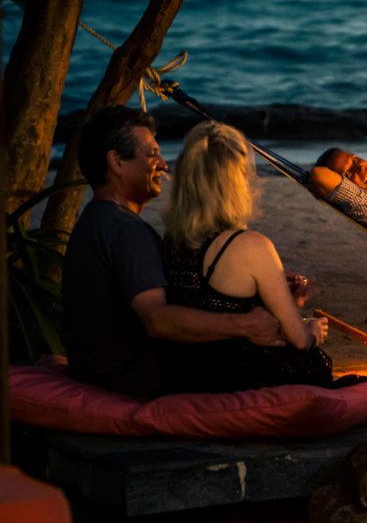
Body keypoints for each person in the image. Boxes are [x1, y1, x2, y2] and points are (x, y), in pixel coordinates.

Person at [61, 107, 284, 398]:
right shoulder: (127, 231)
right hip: (136, 380)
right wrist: (246, 325)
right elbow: (158, 319)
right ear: (116, 161)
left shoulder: (94, 220)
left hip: (95, 369)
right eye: (152, 154)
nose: (164, 165)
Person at [161, 121, 336, 393]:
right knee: (312, 361)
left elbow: (208, 307)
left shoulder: (171, 242)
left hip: (184, 374)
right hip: (235, 380)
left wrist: (287, 301)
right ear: (236, 184)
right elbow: (298, 340)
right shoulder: (252, 246)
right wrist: (311, 331)